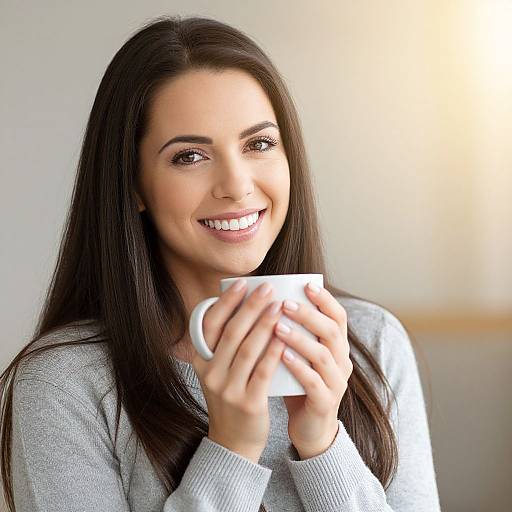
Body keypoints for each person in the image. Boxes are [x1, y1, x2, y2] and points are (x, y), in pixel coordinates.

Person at [0, 14, 441, 512]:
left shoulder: (371, 343)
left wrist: (323, 443)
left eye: (259, 144)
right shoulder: (63, 385)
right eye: (189, 156)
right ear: (134, 185)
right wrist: (231, 449)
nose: (236, 184)